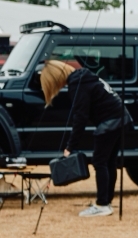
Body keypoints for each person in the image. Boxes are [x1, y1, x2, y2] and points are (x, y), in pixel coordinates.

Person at [39, 60, 130, 217]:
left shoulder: (78, 84)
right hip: (121, 117)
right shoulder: (85, 77)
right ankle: (106, 202)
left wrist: (70, 146)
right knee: (109, 162)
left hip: (110, 122)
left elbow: (80, 117)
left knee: (100, 161)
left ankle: (102, 204)